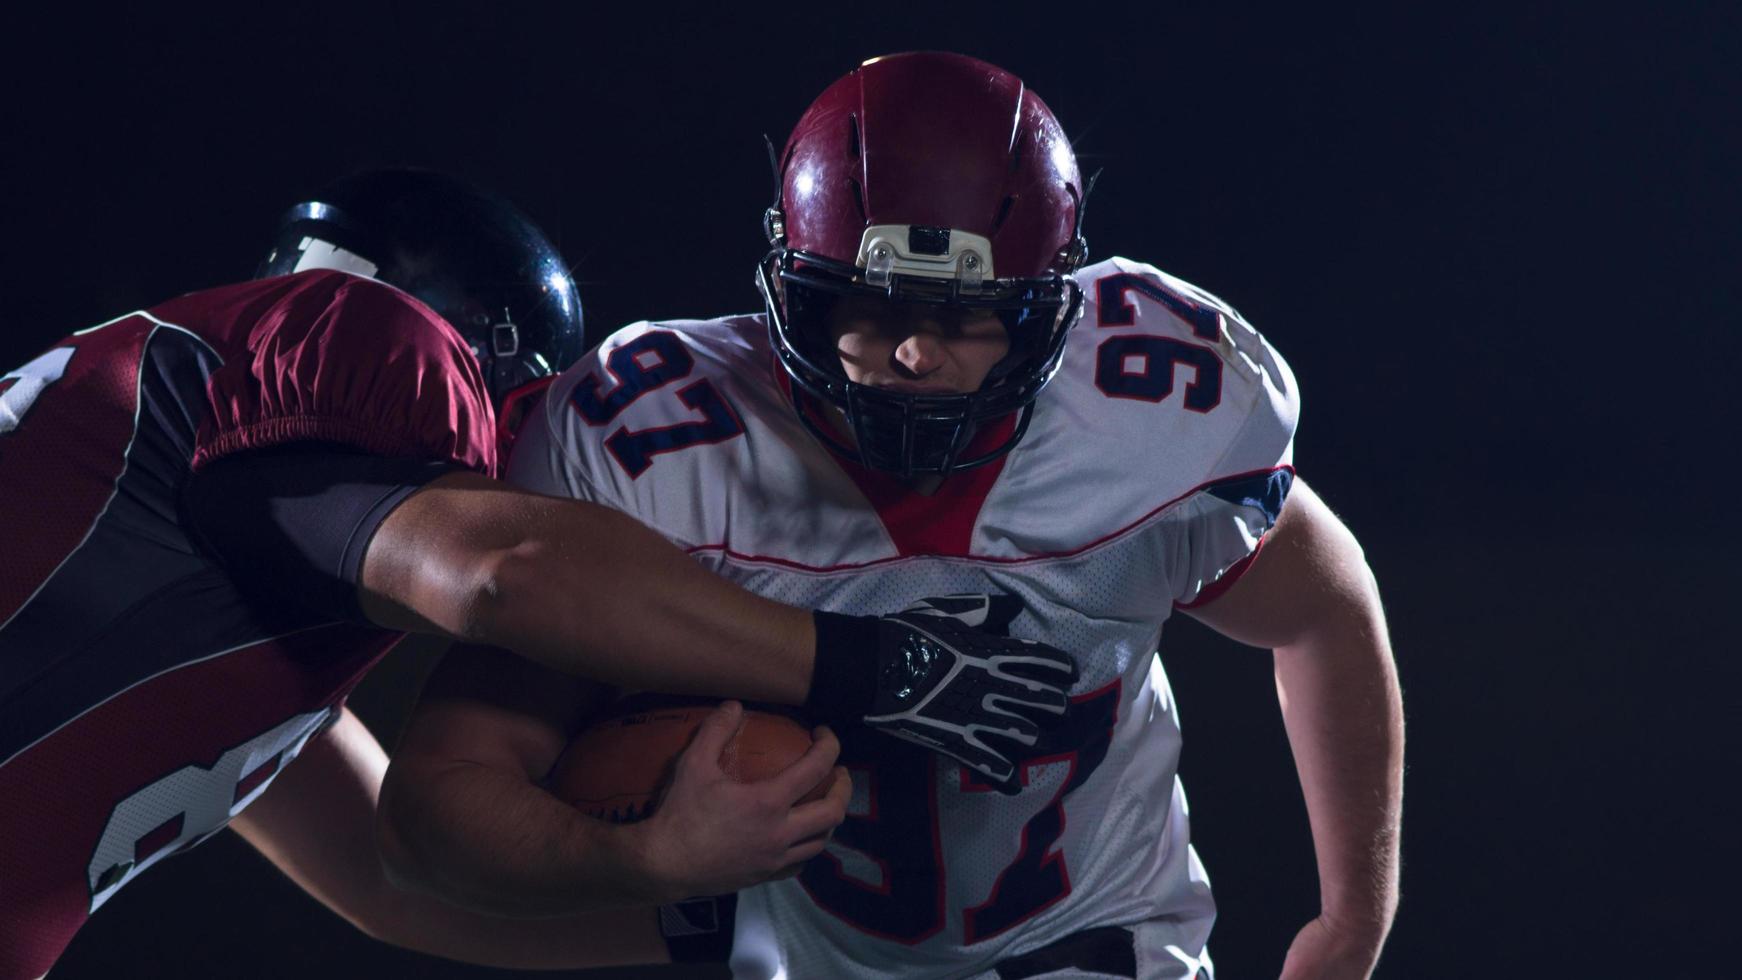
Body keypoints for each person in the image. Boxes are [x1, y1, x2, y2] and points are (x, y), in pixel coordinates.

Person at [378, 53, 1403, 979]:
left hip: (1093, 936)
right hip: (801, 951)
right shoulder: (653, 447)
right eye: (867, 307)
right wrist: (639, 857)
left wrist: (1353, 913)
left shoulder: (1150, 417)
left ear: (1050, 304)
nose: (914, 356)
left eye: (961, 313)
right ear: (790, 286)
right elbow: (432, 804)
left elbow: (1321, 606)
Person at [0, 167, 1079, 979]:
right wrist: (874, 663)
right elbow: (500, 567)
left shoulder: (199, 597)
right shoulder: (354, 335)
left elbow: (391, 875)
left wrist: (716, 900)